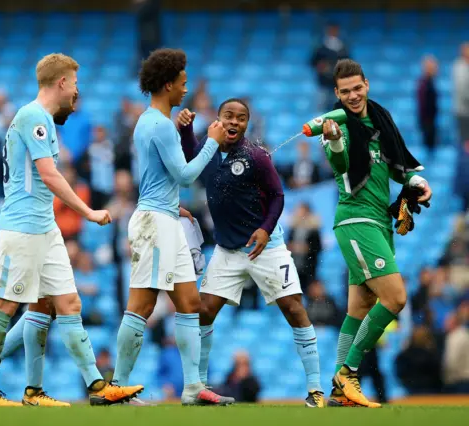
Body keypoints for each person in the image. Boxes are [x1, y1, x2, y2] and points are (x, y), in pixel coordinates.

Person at [0, 53, 143, 407]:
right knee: (5, 305)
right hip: (22, 228)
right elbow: (49, 175)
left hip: (44, 227)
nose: (77, 91)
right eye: (75, 83)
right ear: (62, 82)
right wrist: (87, 211)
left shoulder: (44, 121)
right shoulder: (33, 116)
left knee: (66, 303)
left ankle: (92, 387)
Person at [177, 98, 325, 408]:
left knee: (294, 308)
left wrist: (266, 229)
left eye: (240, 118)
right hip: (227, 250)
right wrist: (188, 129)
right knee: (203, 312)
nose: (233, 122)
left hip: (264, 247)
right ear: (218, 120)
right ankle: (200, 387)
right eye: (228, 116)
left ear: (246, 123)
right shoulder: (209, 148)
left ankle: (315, 389)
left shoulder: (256, 156)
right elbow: (191, 157)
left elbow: (277, 195)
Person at [110, 48, 233, 406]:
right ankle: (117, 385)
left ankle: (193, 387)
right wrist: (211, 141)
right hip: (154, 223)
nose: (185, 89)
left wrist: (170, 204)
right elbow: (184, 174)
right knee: (142, 305)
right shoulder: (159, 124)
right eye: (182, 82)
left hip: (165, 217)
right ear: (167, 84)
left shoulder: (154, 122)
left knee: (189, 302)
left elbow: (158, 175)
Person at [322, 59, 433, 408]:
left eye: (357, 88)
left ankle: (340, 393)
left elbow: (399, 167)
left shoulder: (381, 122)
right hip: (356, 221)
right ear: (336, 95)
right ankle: (348, 373)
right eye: (345, 92)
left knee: (360, 306)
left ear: (366, 85)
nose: (353, 96)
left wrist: (417, 182)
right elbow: (340, 164)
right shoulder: (334, 125)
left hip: (379, 223)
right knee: (396, 298)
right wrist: (336, 141)